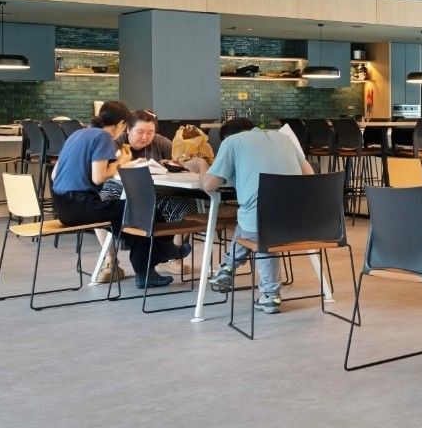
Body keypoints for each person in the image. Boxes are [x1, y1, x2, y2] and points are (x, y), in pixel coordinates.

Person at [50, 99, 188, 289]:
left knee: (133, 222)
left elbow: (54, 174)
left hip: (62, 206)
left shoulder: (76, 134)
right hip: (81, 206)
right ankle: (162, 253)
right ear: (123, 124)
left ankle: (151, 265)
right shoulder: (103, 137)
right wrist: (121, 160)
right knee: (145, 210)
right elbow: (99, 178)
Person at [202, 117, 312, 314]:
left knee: (255, 218)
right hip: (301, 221)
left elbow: (209, 185)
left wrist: (201, 165)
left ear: (229, 136)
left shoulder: (232, 142)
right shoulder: (285, 139)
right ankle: (237, 274)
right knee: (259, 220)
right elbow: (309, 176)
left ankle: (232, 268)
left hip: (260, 225)